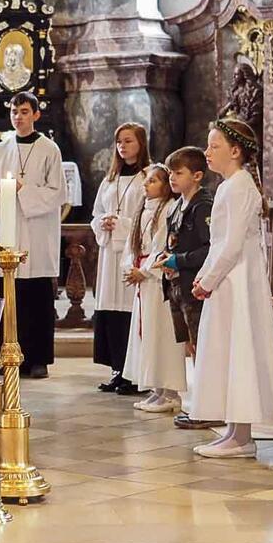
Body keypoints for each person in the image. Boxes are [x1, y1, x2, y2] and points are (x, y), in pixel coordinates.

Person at [189, 118, 273, 458]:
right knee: (227, 351)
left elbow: (231, 245)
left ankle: (242, 435)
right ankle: (234, 430)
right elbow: (219, 243)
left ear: (235, 151)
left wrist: (208, 279)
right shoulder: (230, 185)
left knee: (239, 350)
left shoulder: (240, 186)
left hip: (237, 280)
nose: (207, 152)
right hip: (227, 279)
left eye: (214, 146)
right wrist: (205, 275)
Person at [0, 91, 68, 378]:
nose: (18, 117)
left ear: (36, 114)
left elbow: (58, 193)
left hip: (37, 232)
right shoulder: (0, 150)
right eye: (14, 112)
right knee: (7, 297)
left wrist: (24, 190)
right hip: (7, 229)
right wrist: (3, 190)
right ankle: (5, 353)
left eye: (23, 111)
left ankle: (38, 359)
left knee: (36, 298)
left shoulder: (49, 150)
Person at [154, 147, 221, 430]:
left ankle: (211, 406)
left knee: (203, 347)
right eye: (170, 172)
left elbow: (209, 248)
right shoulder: (179, 204)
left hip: (195, 285)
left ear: (197, 176)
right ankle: (200, 404)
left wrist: (178, 261)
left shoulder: (202, 205)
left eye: (178, 173)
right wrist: (166, 260)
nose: (171, 178)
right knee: (192, 346)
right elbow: (174, 241)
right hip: (179, 285)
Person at [121, 164, 186, 413]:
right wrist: (130, 265)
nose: (146, 185)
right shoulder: (143, 209)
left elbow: (162, 244)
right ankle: (157, 388)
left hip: (158, 280)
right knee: (148, 335)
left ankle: (170, 392)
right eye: (146, 181)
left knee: (163, 335)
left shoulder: (169, 208)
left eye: (153, 181)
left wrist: (146, 270)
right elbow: (132, 242)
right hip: (143, 281)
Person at [90, 122, 149, 394]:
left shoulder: (148, 175)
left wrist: (123, 224)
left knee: (129, 312)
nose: (122, 146)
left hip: (131, 252)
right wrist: (103, 222)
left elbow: (150, 215)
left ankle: (135, 374)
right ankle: (117, 369)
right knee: (111, 312)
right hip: (109, 254)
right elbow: (96, 212)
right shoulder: (110, 178)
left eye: (128, 141)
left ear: (141, 144)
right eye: (119, 142)